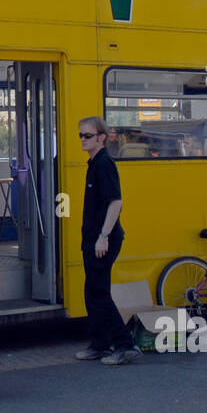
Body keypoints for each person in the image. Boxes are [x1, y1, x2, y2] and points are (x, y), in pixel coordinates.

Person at [74, 116, 139, 365]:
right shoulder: (93, 163)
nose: (83, 139)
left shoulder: (104, 164)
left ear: (102, 137)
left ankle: (125, 344)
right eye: (81, 135)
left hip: (103, 239)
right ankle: (100, 344)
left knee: (99, 292)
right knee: (92, 292)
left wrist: (103, 237)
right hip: (92, 238)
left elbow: (116, 202)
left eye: (88, 135)